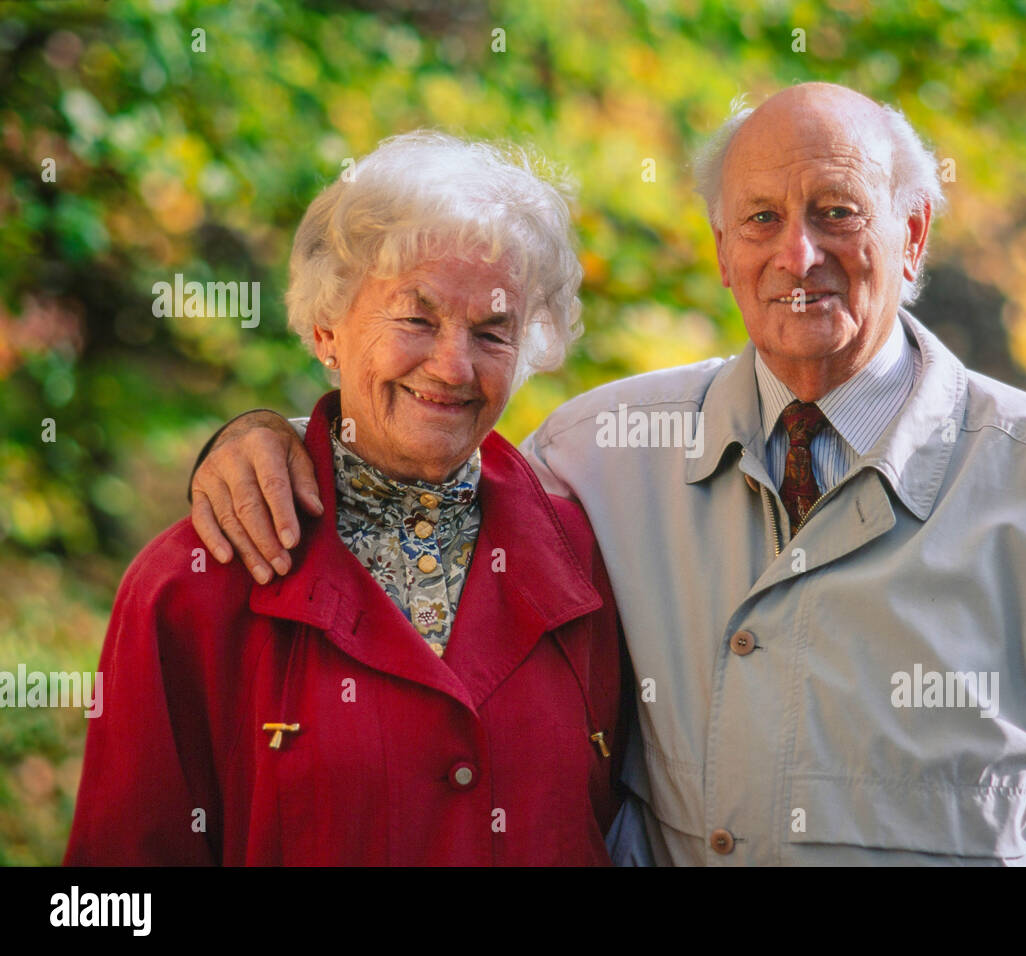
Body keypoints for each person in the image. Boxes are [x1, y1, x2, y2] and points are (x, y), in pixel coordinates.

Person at [184, 84, 1026, 866]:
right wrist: (264, 432)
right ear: (721, 250)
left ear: (912, 233)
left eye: (837, 211)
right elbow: (426, 451)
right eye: (760, 218)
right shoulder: (599, 452)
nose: (796, 252)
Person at [64, 130, 624, 866]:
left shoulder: (588, 555)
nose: (453, 365)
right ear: (328, 328)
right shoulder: (190, 583)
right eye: (416, 318)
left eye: (493, 330)